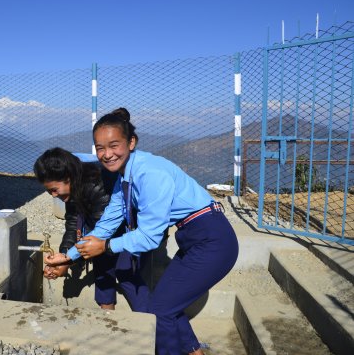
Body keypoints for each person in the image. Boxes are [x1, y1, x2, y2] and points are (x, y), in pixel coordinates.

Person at [45, 108, 239, 355]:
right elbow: (106, 224)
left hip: (212, 239)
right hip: (194, 238)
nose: (106, 154)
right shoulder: (125, 177)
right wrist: (68, 256)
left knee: (161, 309)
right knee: (166, 302)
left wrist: (106, 247)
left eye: (114, 145)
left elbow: (149, 237)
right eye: (100, 148)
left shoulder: (150, 173)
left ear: (131, 142)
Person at [34, 147, 149, 311]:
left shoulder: (98, 183)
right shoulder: (73, 189)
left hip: (130, 230)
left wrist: (69, 260)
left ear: (68, 178)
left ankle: (148, 322)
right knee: (102, 269)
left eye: (54, 189)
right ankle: (107, 319)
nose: (53, 195)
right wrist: (65, 254)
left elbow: (102, 232)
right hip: (103, 233)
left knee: (126, 273)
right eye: (48, 191)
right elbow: (73, 222)